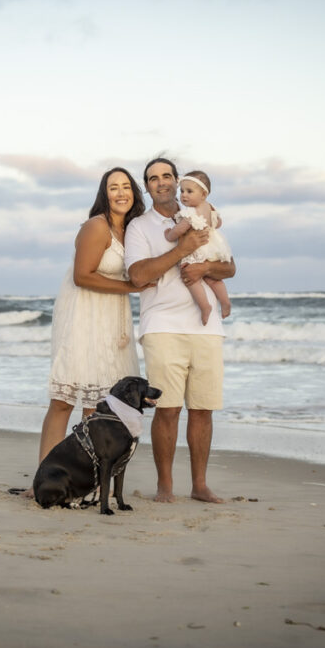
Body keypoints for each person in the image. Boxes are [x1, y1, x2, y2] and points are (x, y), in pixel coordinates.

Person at [124, 157, 236, 504]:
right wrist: (183, 250)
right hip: (162, 326)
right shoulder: (140, 227)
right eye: (153, 178)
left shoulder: (203, 213)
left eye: (167, 176)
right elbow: (139, 275)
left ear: (178, 180)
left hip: (206, 328)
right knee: (168, 409)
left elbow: (229, 266)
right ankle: (165, 487)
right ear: (147, 187)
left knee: (203, 409)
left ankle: (200, 486)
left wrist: (205, 266)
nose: (161, 183)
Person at [35, 166, 150, 469]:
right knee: (65, 399)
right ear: (105, 193)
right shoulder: (96, 227)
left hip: (112, 316)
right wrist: (130, 286)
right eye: (114, 187)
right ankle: (44, 474)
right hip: (83, 315)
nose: (121, 193)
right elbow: (82, 276)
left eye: (126, 186)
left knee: (97, 403)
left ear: (134, 193)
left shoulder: (133, 230)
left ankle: (88, 477)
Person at [163, 170, 233, 325]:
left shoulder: (191, 212)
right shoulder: (211, 207)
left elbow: (180, 229)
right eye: (182, 191)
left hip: (197, 249)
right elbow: (218, 223)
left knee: (190, 279)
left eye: (189, 191)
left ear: (203, 194)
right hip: (214, 246)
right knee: (214, 279)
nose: (184, 195)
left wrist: (169, 234)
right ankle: (225, 301)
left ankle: (205, 306)